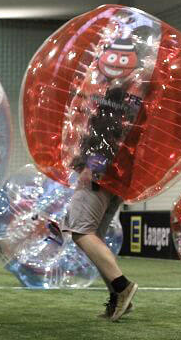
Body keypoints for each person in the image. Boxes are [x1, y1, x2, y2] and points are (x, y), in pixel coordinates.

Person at [64, 34, 141, 322]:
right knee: (92, 234)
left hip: (100, 174)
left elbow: (105, 134)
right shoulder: (135, 97)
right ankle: (118, 296)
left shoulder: (115, 96)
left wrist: (90, 166)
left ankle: (122, 287)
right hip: (119, 176)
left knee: (81, 231)